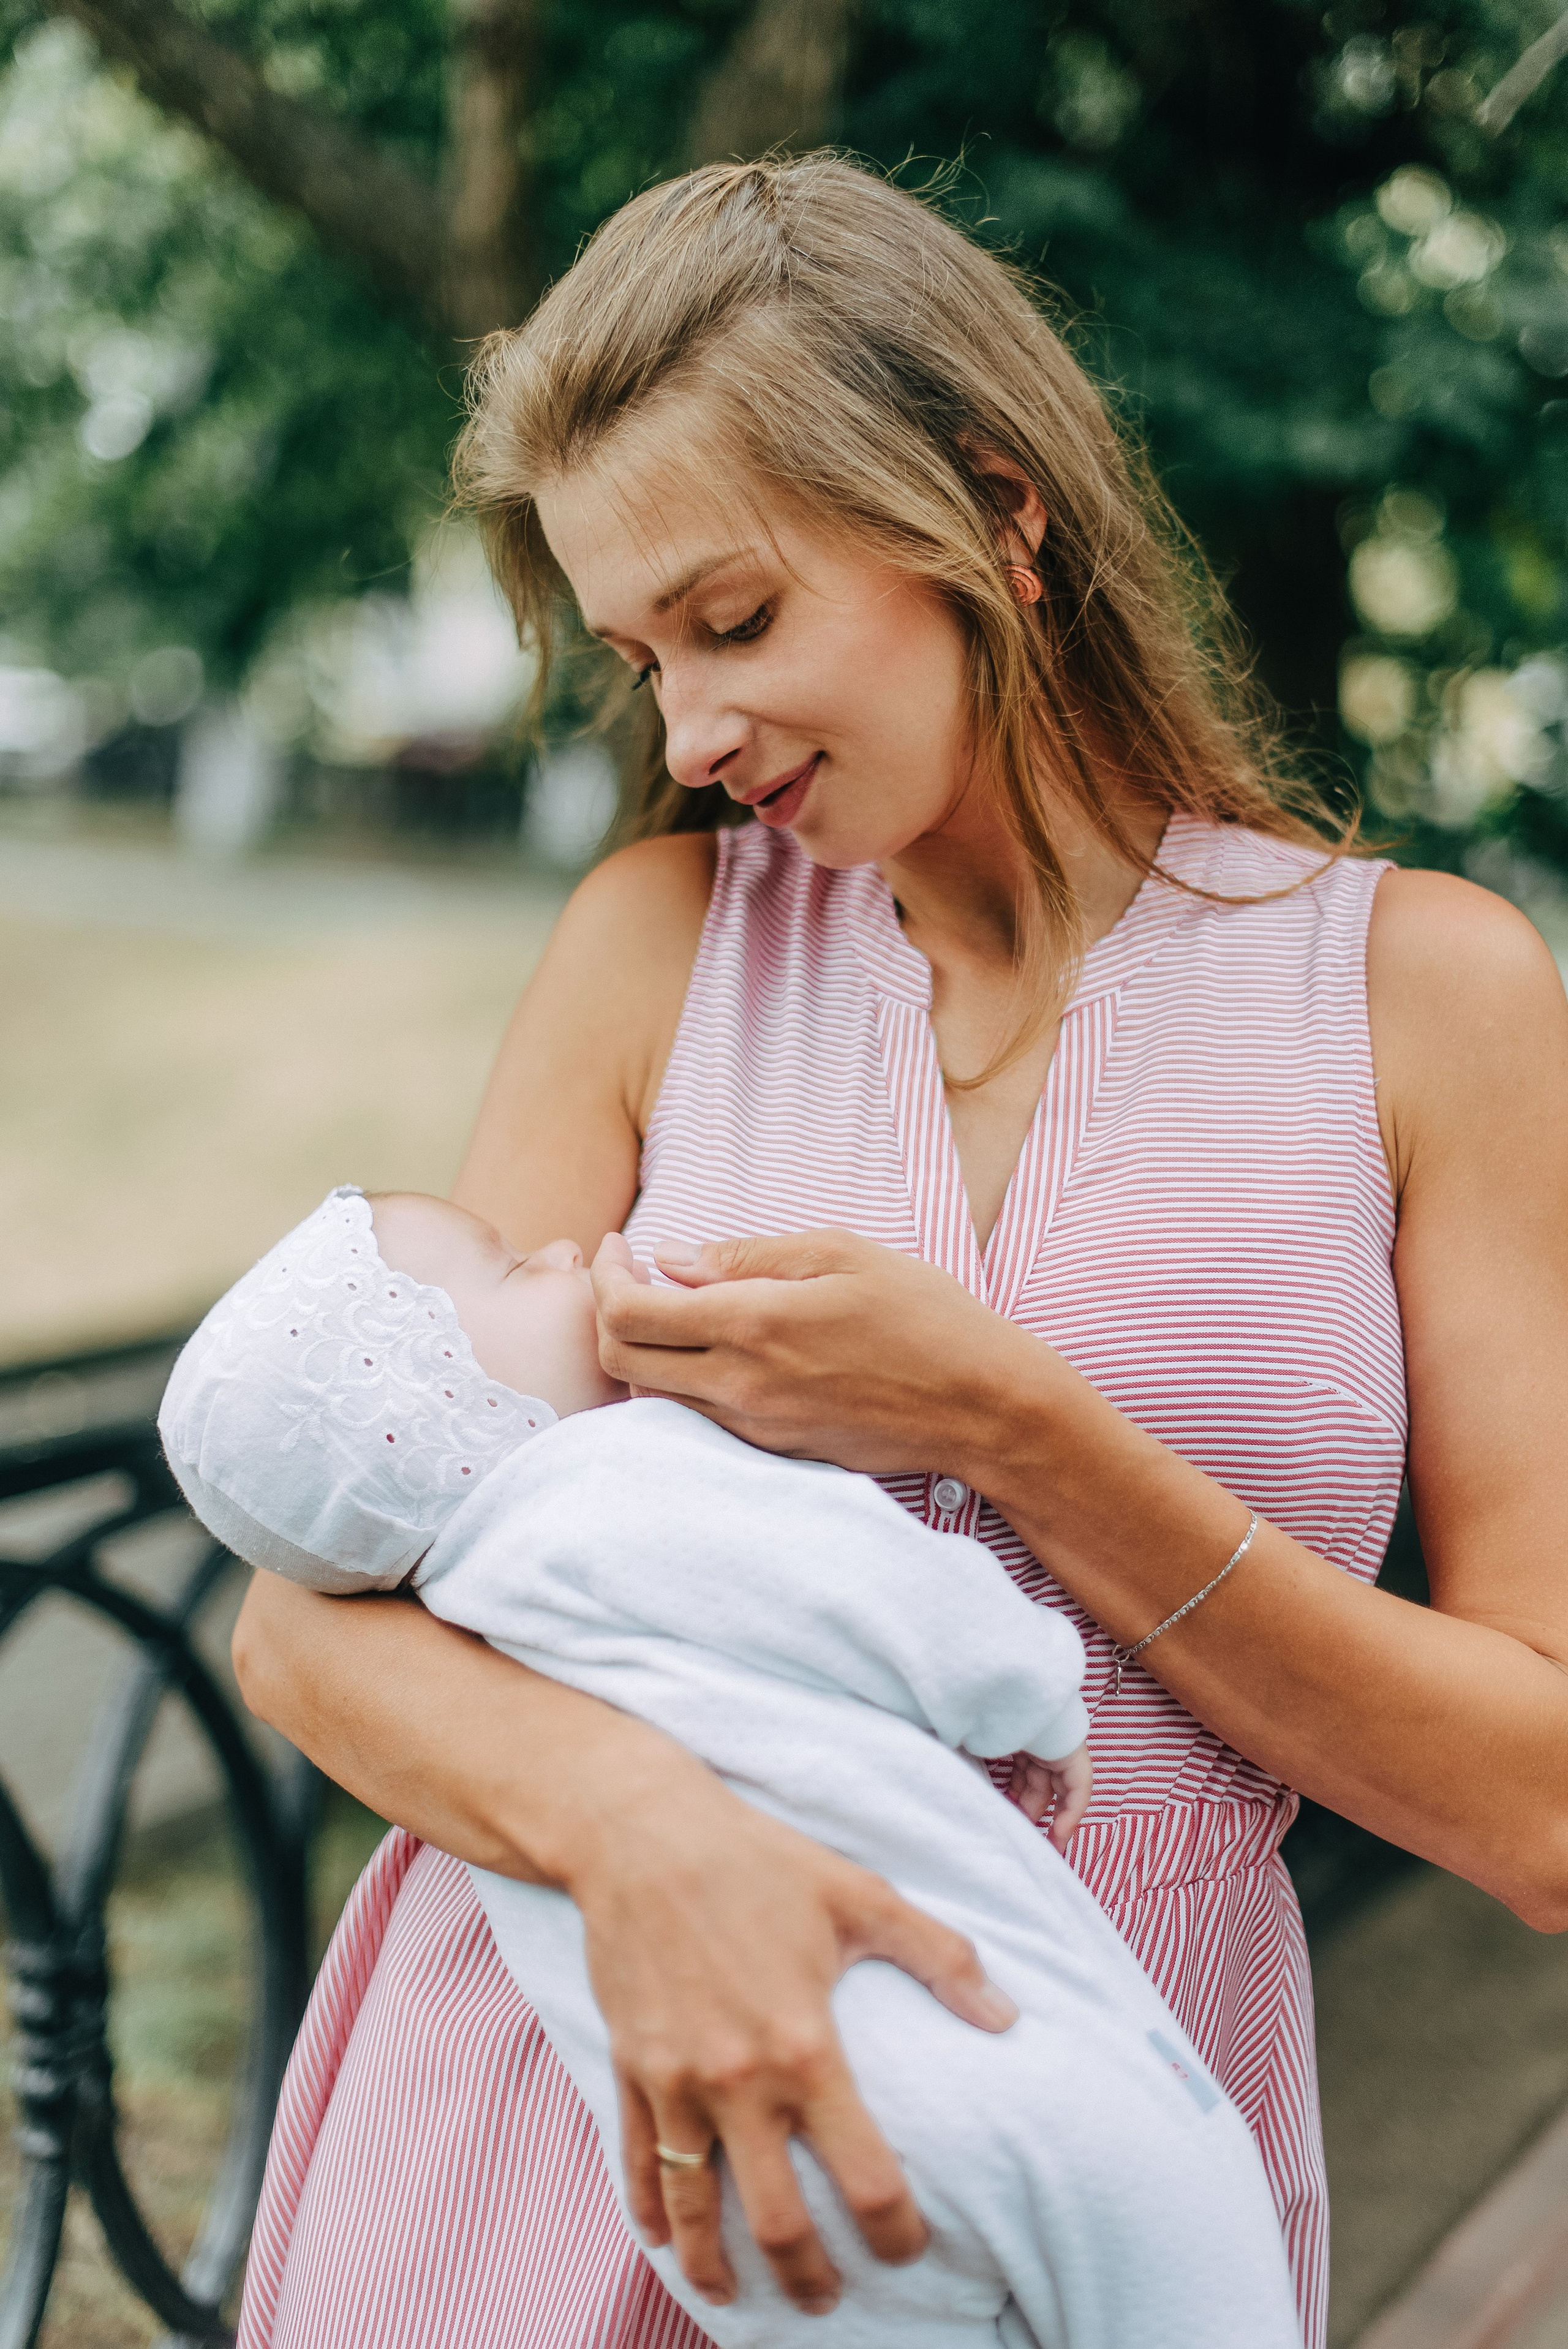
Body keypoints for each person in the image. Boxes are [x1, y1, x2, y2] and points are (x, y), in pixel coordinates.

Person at [229, 154, 1568, 2349]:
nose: (685, 730)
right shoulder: (649, 948)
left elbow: (1541, 1807)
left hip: (1093, 2163)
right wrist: (649, 1841)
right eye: (641, 650)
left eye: (733, 619)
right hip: (571, 2095)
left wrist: (1010, 1423)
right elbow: (303, 1626)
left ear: (996, 511)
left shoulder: (1432, 997)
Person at [162, 1184, 1300, 2347]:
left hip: (721, 2160)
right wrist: (1031, 1689)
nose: (563, 1245)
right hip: (928, 2042)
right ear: (443, 1413)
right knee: (1182, 2230)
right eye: (511, 1268)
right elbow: (857, 1583)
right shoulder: (613, 1486)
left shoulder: (461, 1591)